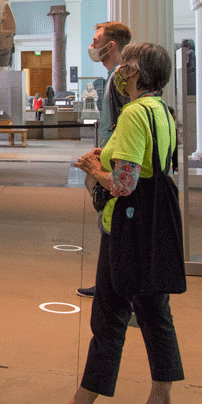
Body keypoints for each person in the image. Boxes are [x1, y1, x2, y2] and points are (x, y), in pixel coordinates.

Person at [28, 42, 185, 404]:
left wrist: (96, 167)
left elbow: (125, 184)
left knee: (109, 319)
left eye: (124, 66)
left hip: (128, 232)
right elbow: (150, 166)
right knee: (155, 315)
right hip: (153, 231)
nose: (118, 72)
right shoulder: (161, 111)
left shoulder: (134, 113)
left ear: (133, 72)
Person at [77, 21, 132, 298]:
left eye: (97, 39)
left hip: (118, 165)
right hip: (110, 159)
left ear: (111, 45)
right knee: (108, 224)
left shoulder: (120, 79)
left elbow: (124, 127)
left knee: (113, 225)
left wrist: (106, 163)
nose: (92, 45)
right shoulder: (113, 78)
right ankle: (108, 284)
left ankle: (115, 289)